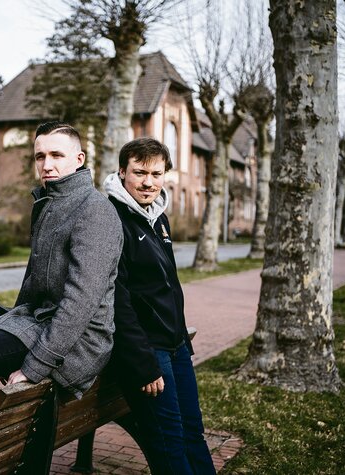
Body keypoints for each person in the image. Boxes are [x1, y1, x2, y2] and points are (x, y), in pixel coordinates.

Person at [0, 121, 123, 466]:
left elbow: (80, 303)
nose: (46, 164)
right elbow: (36, 286)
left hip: (79, 341)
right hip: (41, 320)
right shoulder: (52, 202)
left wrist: (35, 364)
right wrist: (14, 320)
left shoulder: (94, 210)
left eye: (56, 155)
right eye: (40, 156)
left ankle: (1, 428)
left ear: (78, 159)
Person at [103, 137, 216, 475]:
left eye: (156, 173)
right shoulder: (112, 220)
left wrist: (182, 338)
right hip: (149, 353)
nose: (148, 182)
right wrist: (144, 363)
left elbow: (169, 287)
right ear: (122, 172)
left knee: (192, 431)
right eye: (139, 172)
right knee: (169, 441)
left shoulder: (158, 217)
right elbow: (117, 300)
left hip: (177, 346)